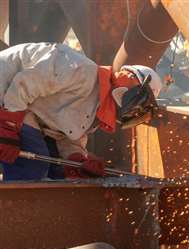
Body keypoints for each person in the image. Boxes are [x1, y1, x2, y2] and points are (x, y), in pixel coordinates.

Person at [0, 42, 162, 181]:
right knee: (33, 162)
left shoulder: (96, 112)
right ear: (126, 75)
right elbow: (25, 84)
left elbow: (67, 136)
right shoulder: (80, 70)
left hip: (21, 106)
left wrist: (76, 160)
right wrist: (7, 125)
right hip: (6, 90)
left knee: (56, 168)